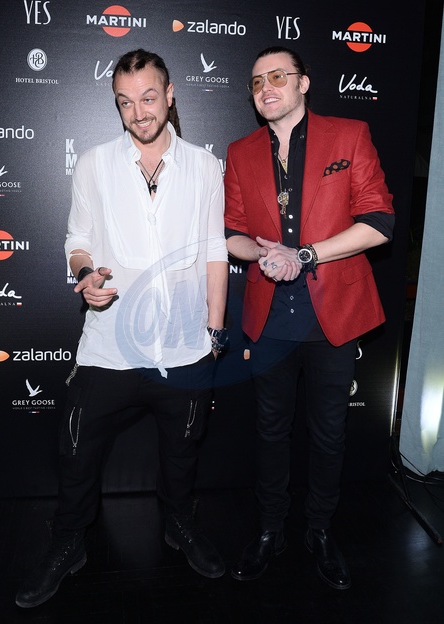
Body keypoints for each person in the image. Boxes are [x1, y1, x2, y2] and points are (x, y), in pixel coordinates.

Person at [16, 48, 229, 609]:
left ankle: (178, 524)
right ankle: (69, 542)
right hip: (109, 344)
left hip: (184, 347)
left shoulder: (205, 167)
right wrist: (85, 274)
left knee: (183, 452)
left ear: (171, 94)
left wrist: (213, 335)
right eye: (125, 102)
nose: (139, 112)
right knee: (75, 450)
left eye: (149, 97)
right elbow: (77, 240)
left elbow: (215, 251)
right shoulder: (94, 163)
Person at [224, 46, 394, 589]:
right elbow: (232, 233)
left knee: (328, 435)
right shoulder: (240, 152)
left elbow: (380, 221)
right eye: (257, 82)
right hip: (269, 319)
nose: (266, 87)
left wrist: (305, 254)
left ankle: (319, 531)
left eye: (278, 76)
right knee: (270, 432)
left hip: (333, 317)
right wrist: (263, 255)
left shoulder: (349, 135)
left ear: (303, 83)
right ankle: (270, 530)